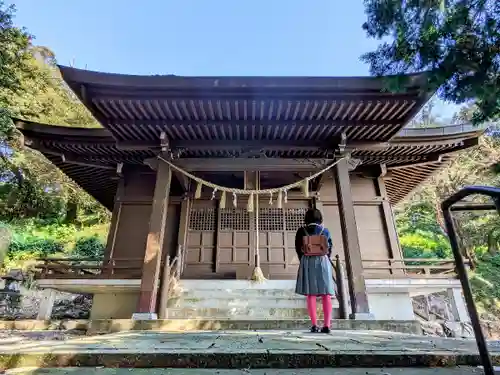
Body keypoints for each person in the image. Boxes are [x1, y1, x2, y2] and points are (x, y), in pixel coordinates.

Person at [295, 208, 335, 333]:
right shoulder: (325, 230)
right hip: (323, 261)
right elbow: (329, 247)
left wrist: (303, 259)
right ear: (320, 218)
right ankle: (327, 325)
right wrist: (324, 258)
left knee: (310, 294)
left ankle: (314, 324)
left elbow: (298, 248)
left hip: (308, 261)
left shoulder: (302, 231)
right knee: (326, 294)